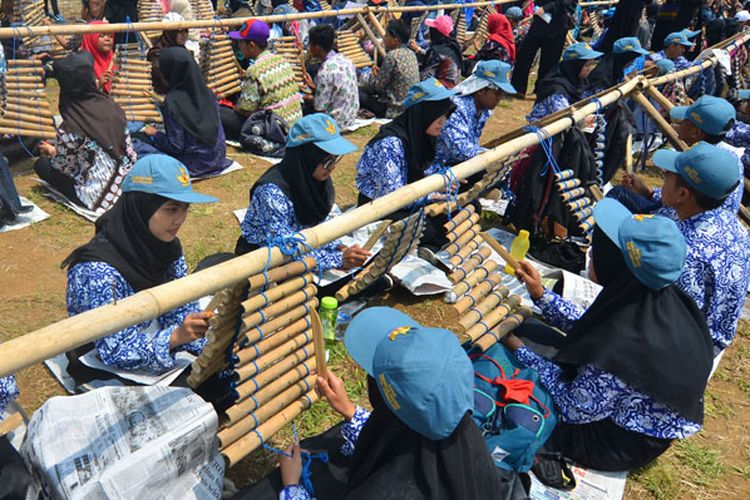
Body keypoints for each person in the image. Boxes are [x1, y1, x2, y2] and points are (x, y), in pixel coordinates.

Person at [503, 198, 713, 471]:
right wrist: (541, 295)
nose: (591, 252)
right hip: (615, 407)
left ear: (616, 263)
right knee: (539, 338)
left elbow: (572, 407)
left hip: (616, 441)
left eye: (599, 248)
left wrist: (516, 347)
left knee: (518, 385)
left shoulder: (625, 342)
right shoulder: (655, 297)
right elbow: (591, 329)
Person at [278, 306, 515, 498]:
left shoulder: (386, 491)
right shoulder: (463, 437)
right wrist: (350, 411)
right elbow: (402, 438)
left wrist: (292, 487)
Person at [64, 155, 218, 373]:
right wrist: (175, 337)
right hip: (105, 362)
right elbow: (113, 349)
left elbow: (181, 307)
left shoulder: (166, 248)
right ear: (140, 206)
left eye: (185, 208)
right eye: (171, 209)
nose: (180, 219)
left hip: (157, 345)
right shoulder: (97, 271)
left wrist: (202, 337)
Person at [619, 143, 750, 361]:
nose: (663, 174)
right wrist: (649, 193)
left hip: (675, 356)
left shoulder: (682, 255)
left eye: (669, 174)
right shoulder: (730, 222)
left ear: (682, 194)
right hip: (706, 343)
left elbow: (650, 328)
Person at [236, 114, 370, 272]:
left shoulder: (316, 180)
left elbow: (321, 225)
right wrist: (338, 260)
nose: (332, 167)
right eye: (326, 161)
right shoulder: (271, 193)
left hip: (306, 247)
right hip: (264, 257)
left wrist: (338, 247)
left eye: (334, 159)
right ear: (307, 157)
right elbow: (286, 250)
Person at [34, 52, 137, 214]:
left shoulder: (70, 126)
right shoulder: (112, 107)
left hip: (100, 197)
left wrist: (53, 152)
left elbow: (66, 169)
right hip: (129, 183)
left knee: (42, 165)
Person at [617, 96, 743, 215]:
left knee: (619, 194)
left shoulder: (699, 163)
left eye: (684, 121)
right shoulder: (729, 160)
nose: (678, 124)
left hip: (673, 222)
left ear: (696, 132)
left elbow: (679, 209)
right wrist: (648, 192)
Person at [356, 78, 456, 206]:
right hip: (379, 207)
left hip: (411, 197)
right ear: (422, 114)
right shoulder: (389, 144)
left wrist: (444, 181)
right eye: (437, 114)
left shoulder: (422, 136)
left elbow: (427, 169)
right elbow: (392, 196)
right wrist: (432, 195)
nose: (443, 121)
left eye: (446, 114)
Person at [142, 47, 233, 178]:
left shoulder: (173, 102)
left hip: (195, 165)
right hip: (217, 159)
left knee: (141, 147)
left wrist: (155, 134)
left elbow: (175, 146)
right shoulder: (207, 93)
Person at [221, 19, 303, 142]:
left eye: (241, 43)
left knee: (220, 113)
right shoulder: (281, 60)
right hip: (292, 123)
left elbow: (245, 109)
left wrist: (234, 107)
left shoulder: (254, 70)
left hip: (276, 129)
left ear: (251, 45)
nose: (239, 46)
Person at [433, 60, 516, 171]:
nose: (499, 98)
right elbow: (459, 148)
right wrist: (494, 155)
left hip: (458, 163)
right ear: (481, 90)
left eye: (502, 93)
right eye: (497, 92)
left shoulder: (482, 110)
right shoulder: (457, 108)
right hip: (438, 167)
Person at [510, 0, 578, 96]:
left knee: (549, 61)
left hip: (557, 25)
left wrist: (547, 7)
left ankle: (541, 91)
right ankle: (517, 88)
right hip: (539, 22)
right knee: (524, 54)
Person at [527, 42, 603, 123]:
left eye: (591, 64)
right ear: (575, 66)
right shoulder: (556, 89)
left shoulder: (580, 82)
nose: (590, 69)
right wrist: (586, 120)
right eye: (587, 65)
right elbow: (565, 116)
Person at [358, 20, 419, 119]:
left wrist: (373, 78)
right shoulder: (411, 53)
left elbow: (377, 87)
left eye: (386, 36)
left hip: (393, 109)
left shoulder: (392, 56)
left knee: (358, 93)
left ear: (396, 40)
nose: (384, 39)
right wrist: (380, 74)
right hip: (409, 106)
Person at [304, 24, 359, 129]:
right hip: (350, 116)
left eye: (310, 45)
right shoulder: (346, 60)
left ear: (317, 48)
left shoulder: (325, 71)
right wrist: (314, 88)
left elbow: (319, 107)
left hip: (335, 123)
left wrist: (306, 98)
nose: (309, 48)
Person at [414, 15, 463, 89]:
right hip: (454, 88)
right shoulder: (454, 47)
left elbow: (425, 78)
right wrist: (418, 50)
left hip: (441, 91)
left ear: (436, 33)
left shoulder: (436, 51)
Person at [147, 13, 190, 95]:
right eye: (180, 32)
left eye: (186, 31)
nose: (184, 35)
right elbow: (162, 80)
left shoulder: (185, 51)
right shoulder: (157, 53)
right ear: (171, 33)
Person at [80, 21, 117, 94]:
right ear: (91, 39)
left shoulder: (115, 61)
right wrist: (99, 84)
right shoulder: (81, 65)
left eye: (110, 36)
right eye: (102, 35)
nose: (107, 39)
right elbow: (79, 94)